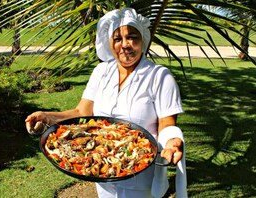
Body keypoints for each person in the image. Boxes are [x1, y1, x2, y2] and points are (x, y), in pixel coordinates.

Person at [25, 8, 187, 198]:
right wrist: (48, 117)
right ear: (110, 43)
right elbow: (81, 111)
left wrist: (172, 142)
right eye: (117, 39)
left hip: (139, 175)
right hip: (102, 172)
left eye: (132, 37)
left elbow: (167, 124)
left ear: (143, 39)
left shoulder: (160, 76)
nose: (125, 45)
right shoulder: (101, 71)